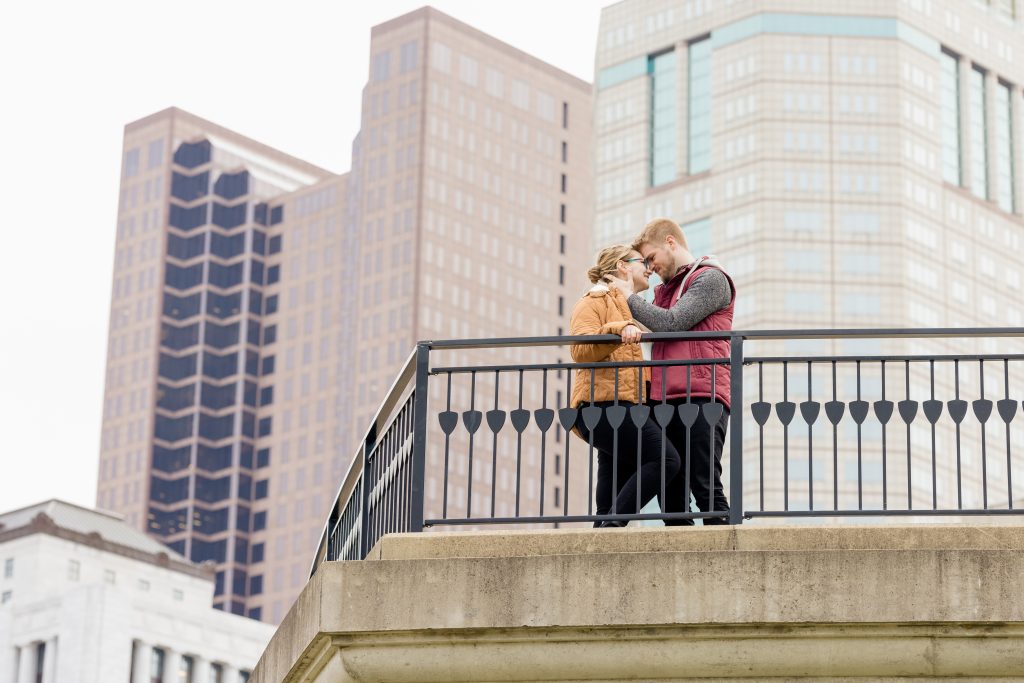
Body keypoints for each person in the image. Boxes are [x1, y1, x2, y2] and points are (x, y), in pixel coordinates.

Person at [607, 218, 736, 525]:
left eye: (651, 258)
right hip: (664, 399)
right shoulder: (665, 291)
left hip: (703, 395)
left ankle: (726, 559)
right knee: (670, 496)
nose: (649, 267)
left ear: (670, 242)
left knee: (705, 487)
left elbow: (671, 323)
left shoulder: (711, 279)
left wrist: (628, 297)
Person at [570, 245, 681, 527]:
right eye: (642, 262)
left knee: (613, 477)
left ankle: (604, 533)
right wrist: (616, 330)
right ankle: (614, 524)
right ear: (623, 266)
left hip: (622, 407)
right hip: (604, 408)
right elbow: (580, 350)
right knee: (666, 459)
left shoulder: (625, 304)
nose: (648, 268)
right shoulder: (594, 299)